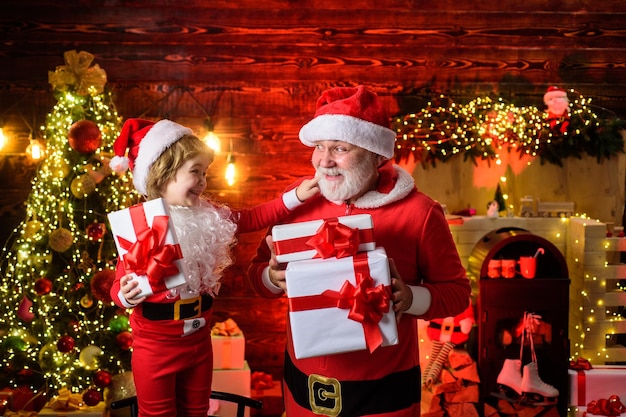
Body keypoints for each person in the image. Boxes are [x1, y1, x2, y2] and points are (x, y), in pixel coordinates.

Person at [248, 86, 472, 417]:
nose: (324, 160)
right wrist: (270, 277)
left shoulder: (420, 212)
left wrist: (409, 298)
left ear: (376, 154)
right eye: (320, 147)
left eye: (340, 148)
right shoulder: (297, 199)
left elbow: (457, 294)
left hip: (383, 396)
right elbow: (255, 276)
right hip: (302, 390)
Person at [107, 118, 319, 417]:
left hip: (199, 341)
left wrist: (294, 198)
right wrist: (126, 296)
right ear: (164, 174)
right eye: (195, 172)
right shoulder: (140, 228)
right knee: (157, 414)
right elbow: (118, 288)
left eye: (205, 172)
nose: (204, 181)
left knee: (197, 410)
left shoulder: (210, 216)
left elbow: (251, 218)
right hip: (155, 347)